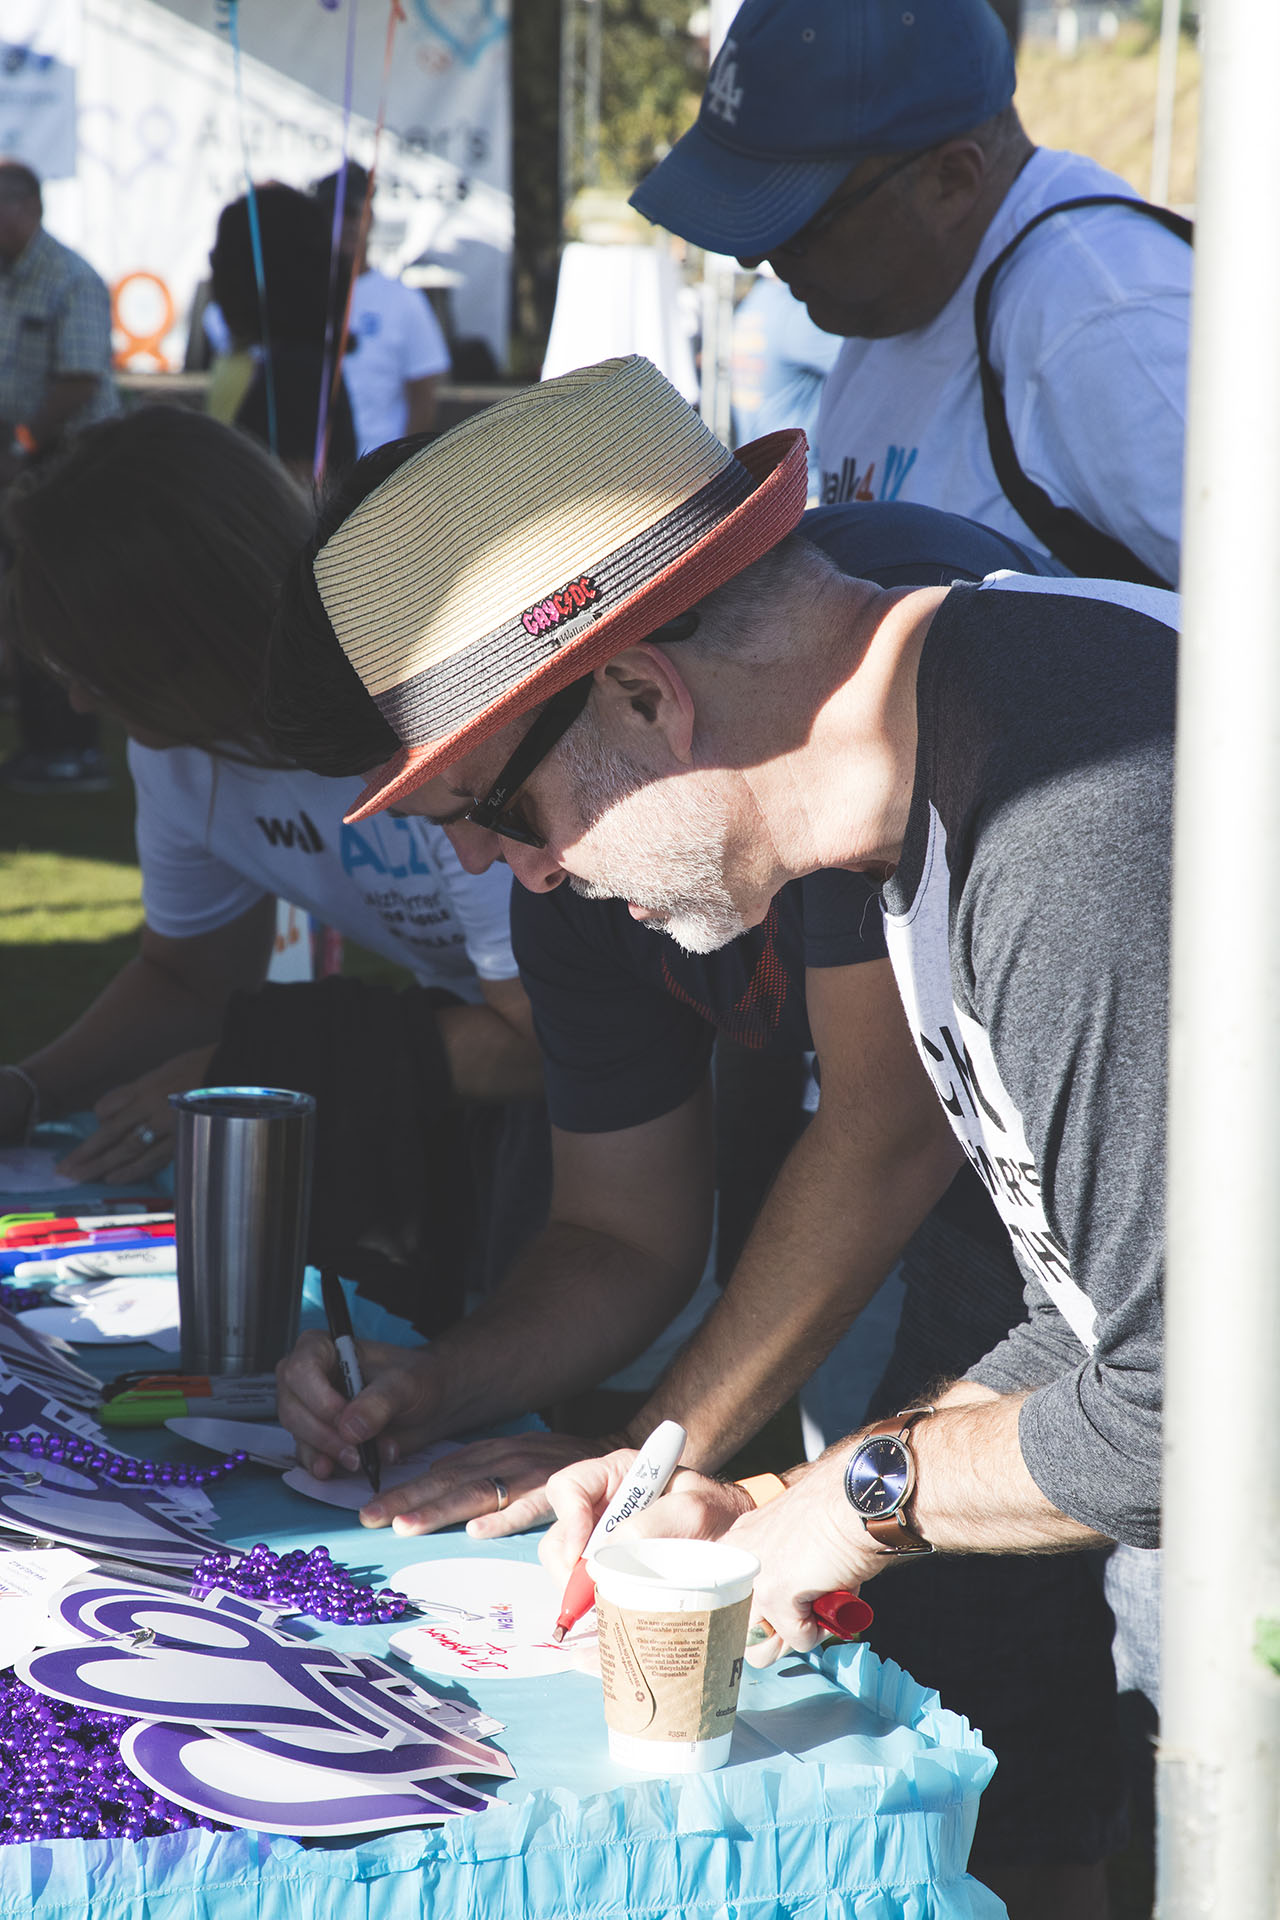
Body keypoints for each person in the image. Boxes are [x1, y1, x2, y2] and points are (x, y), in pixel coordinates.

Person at [264, 360, 1171, 1910]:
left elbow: (1204, 1408)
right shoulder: (942, 782)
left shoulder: (1069, 814)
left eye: (507, 814)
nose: (525, 880)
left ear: (639, 691)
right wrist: (765, 1508)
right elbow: (1100, 1319)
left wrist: (857, 1504)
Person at [0, 407, 537, 1317]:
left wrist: (256, 1063)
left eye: (103, 667)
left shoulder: (416, 719)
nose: (83, 700)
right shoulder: (175, 747)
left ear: (198, 628)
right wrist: (26, 1089)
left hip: (663, 1076)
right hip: (502, 1050)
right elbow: (187, 972)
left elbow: (552, 1047)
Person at [629, 0, 1189, 588]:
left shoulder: (1102, 320)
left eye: (800, 222)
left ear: (951, 181)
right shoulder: (897, 292)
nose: (753, 255)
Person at [0, 159, 118, 794]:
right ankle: (41, 748)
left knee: (58, 608)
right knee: (21, 607)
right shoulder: (10, 276)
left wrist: (19, 444)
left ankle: (77, 754)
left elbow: (79, 382)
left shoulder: (72, 279)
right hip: (19, 458)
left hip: (70, 463)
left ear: (27, 209)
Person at [207, 185, 356, 485]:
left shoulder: (296, 373)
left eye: (224, 257)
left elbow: (292, 510)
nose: (213, 269)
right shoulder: (257, 359)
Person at [314, 164, 451, 455]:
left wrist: (394, 475)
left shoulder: (404, 301)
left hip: (371, 477)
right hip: (309, 477)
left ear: (370, 217)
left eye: (353, 213)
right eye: (331, 213)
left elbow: (424, 397)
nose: (344, 224)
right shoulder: (300, 300)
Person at [729, 267, 840, 502]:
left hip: (768, 484)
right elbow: (866, 365)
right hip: (802, 491)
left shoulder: (756, 302)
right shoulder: (793, 312)